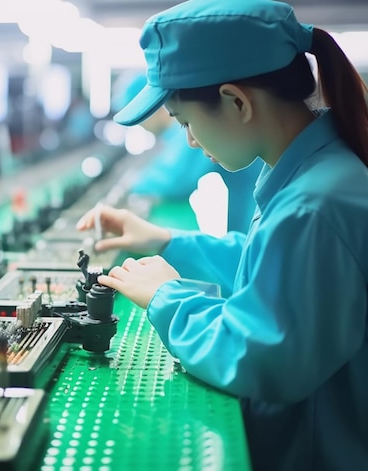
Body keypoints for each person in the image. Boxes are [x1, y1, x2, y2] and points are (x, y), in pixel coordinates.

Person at [76, 1, 368, 470]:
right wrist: (167, 242)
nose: (190, 141)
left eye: (185, 121)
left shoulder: (315, 205)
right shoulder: (314, 175)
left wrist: (167, 299)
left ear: (236, 102)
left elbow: (262, 356)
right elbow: (272, 266)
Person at [114, 73, 263, 233]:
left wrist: (125, 187)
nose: (192, 142)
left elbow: (176, 179)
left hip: (254, 219)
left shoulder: (201, 130)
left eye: (185, 123)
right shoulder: (189, 129)